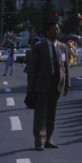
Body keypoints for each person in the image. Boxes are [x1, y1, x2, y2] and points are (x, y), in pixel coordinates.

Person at [25, 20, 70, 151]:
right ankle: (39, 140)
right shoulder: (39, 47)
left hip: (56, 85)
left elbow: (65, 67)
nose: (58, 31)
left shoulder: (62, 47)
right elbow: (32, 69)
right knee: (40, 114)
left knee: (52, 114)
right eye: (55, 29)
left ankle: (49, 139)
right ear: (47, 32)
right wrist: (30, 88)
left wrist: (67, 84)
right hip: (41, 85)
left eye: (58, 29)